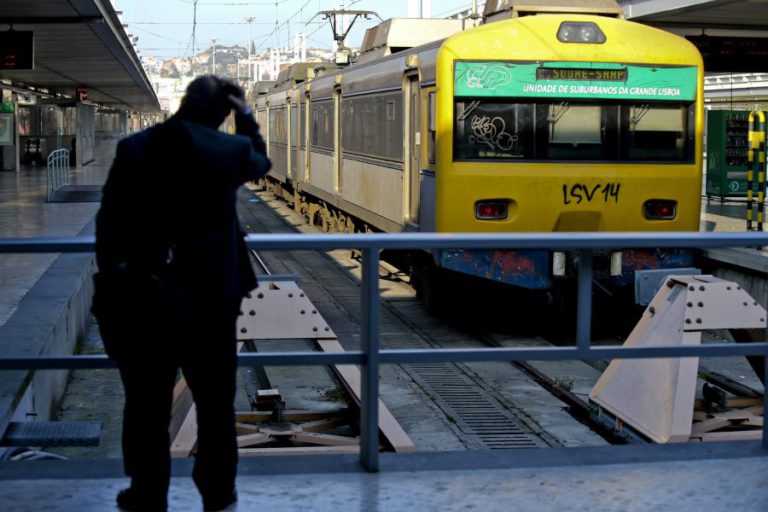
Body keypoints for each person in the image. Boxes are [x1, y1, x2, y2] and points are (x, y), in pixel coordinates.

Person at [92, 76, 271, 512]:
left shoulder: (135, 148)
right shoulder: (228, 151)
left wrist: (118, 275)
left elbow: (108, 223)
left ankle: (147, 492)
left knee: (145, 404)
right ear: (222, 114)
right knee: (215, 404)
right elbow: (261, 162)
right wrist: (247, 116)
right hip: (211, 301)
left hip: (144, 296)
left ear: (184, 103)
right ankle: (217, 490)